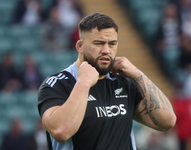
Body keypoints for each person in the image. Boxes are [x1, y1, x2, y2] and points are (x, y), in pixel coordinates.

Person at [38, 13, 176, 150]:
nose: (106, 50)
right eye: (99, 43)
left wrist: (138, 74)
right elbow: (61, 131)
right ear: (80, 46)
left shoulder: (124, 82)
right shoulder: (57, 84)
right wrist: (84, 82)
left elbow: (167, 121)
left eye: (112, 44)